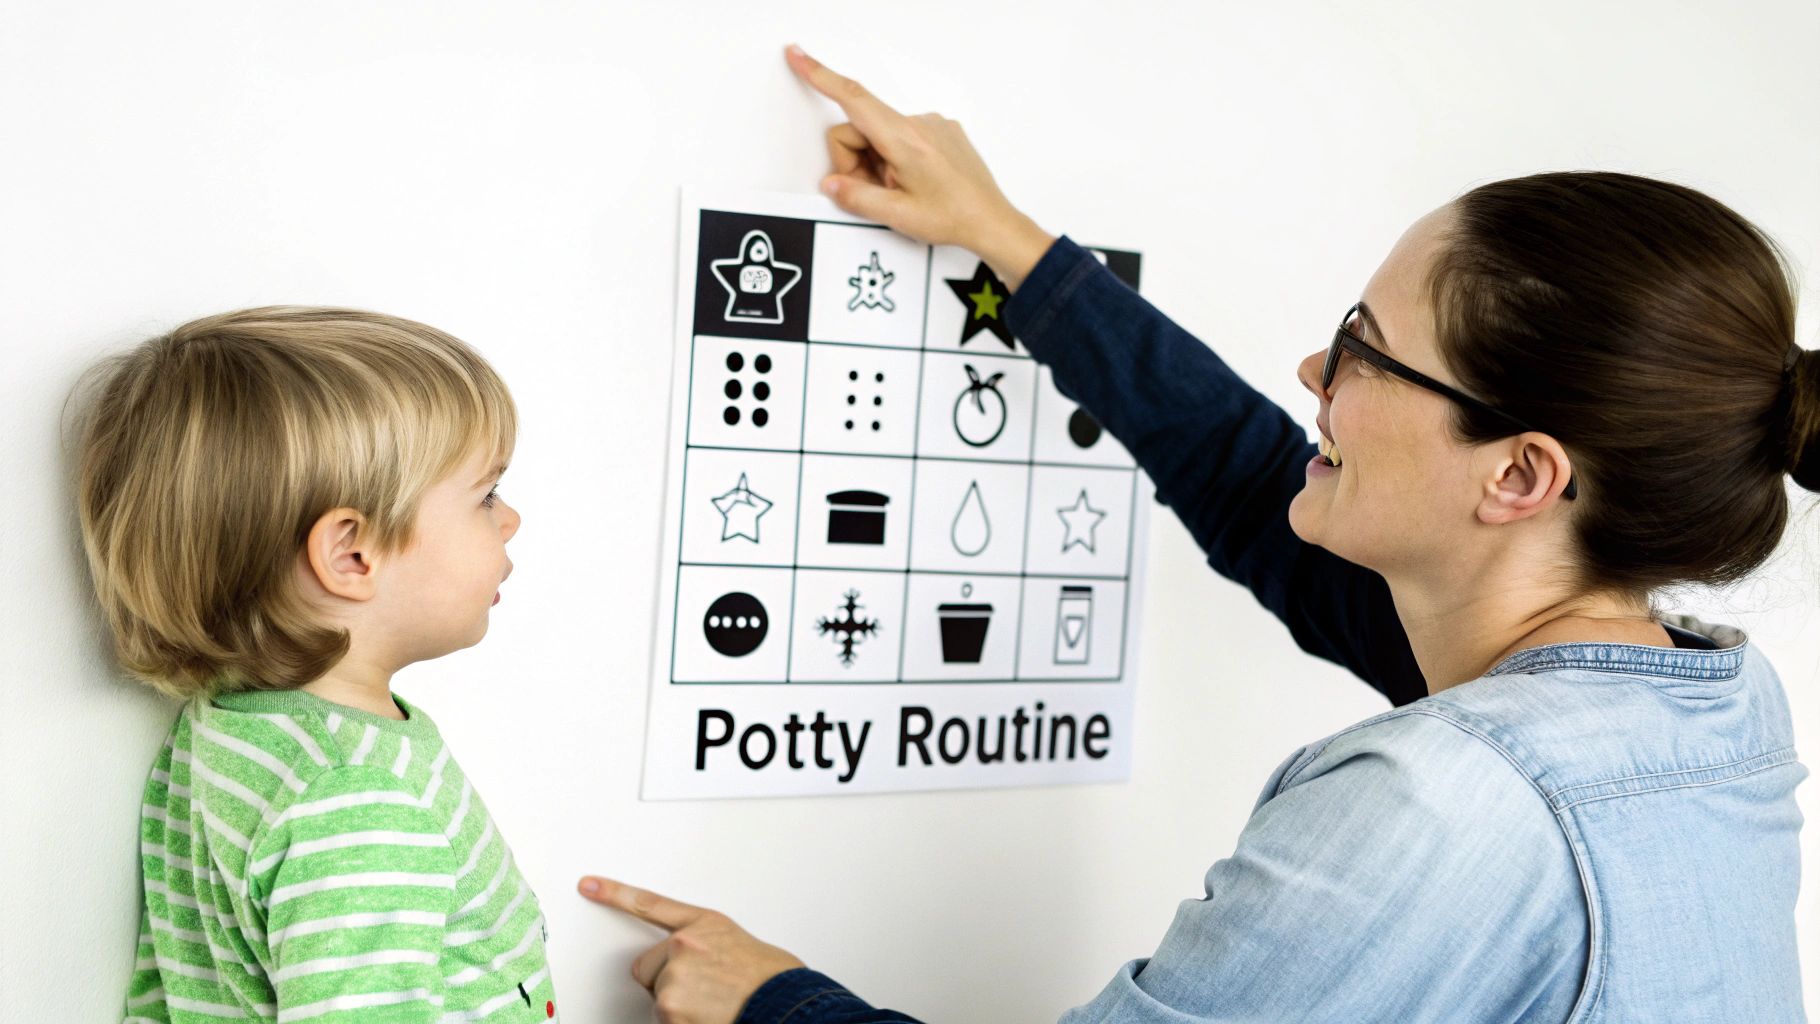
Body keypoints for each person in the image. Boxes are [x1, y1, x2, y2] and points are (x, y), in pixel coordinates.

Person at [577, 47, 1815, 1023]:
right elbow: (1246, 485)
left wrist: (773, 1001)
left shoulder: (1446, 800)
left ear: (1518, 475)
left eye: (1361, 348)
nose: (1313, 369)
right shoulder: (1706, 704)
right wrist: (1007, 240)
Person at [72, 307, 559, 1021]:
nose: (509, 518)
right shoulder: (357, 801)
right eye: (485, 495)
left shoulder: (227, 727)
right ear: (350, 555)